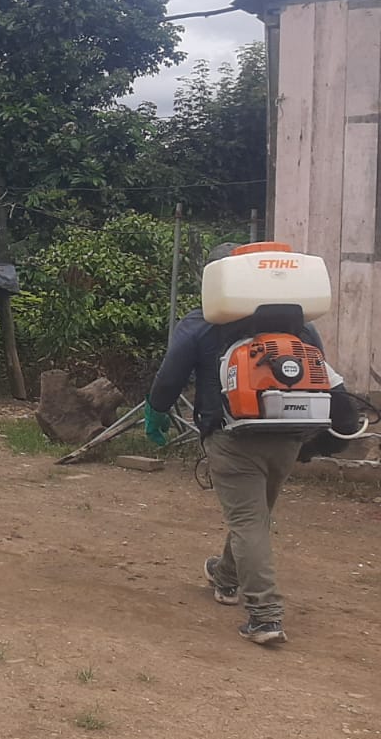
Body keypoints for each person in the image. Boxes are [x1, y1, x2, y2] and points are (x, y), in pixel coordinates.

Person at [144, 243, 336, 645]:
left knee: (248, 520)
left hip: (232, 436)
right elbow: (320, 370)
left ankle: (265, 616)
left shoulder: (202, 322)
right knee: (254, 516)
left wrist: (156, 411)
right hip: (288, 433)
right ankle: (226, 576)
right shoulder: (298, 322)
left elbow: (171, 374)